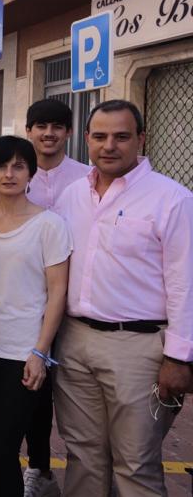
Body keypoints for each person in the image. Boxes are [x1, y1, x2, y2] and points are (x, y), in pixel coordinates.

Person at [53, 100, 193, 496]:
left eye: (121, 137)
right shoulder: (71, 196)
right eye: (99, 136)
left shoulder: (172, 199)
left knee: (136, 463)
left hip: (141, 350)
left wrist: (179, 358)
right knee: (82, 456)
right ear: (86, 140)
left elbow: (186, 283)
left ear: (141, 140)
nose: (109, 145)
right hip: (75, 342)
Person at [0, 136, 71, 496]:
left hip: (22, 356)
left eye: (19, 166)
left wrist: (40, 352)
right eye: (2, 166)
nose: (9, 173)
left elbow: (57, 295)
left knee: (0, 448)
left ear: (30, 174)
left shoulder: (50, 225)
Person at [21, 98, 90, 497]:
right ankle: (40, 469)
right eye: (40, 126)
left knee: (78, 395)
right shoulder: (13, 173)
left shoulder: (86, 179)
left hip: (76, 301)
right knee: (34, 390)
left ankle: (93, 471)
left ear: (68, 132)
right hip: (26, 300)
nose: (48, 133)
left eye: (57, 126)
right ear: (29, 130)